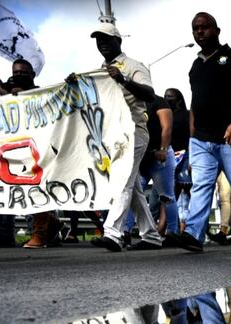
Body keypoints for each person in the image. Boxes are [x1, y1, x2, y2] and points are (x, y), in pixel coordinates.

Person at [173, 12, 231, 253]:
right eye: (195, 28)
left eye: (205, 27)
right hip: (200, 139)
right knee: (201, 186)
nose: (200, 31)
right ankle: (193, 234)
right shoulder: (196, 66)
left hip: (229, 138)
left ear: (217, 30)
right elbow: (195, 103)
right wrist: (191, 138)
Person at [0, 48, 64, 250]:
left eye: (23, 73)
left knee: (36, 189)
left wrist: (24, 97)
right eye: (16, 73)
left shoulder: (42, 94)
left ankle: (40, 232)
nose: (19, 76)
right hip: (13, 153)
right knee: (15, 190)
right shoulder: (8, 93)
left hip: (37, 152)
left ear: (32, 75)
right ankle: (52, 224)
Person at [87, 22, 163, 252]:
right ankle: (151, 235)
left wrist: (123, 79)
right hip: (114, 134)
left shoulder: (133, 66)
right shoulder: (101, 69)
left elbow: (149, 94)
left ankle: (113, 233)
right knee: (134, 187)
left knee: (123, 180)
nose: (102, 44)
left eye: (106, 40)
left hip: (134, 131)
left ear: (118, 41)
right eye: (99, 41)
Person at [123, 94, 179, 245]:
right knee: (130, 194)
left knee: (166, 196)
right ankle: (125, 231)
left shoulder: (158, 101)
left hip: (158, 156)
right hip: (139, 158)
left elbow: (167, 127)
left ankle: (172, 233)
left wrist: (163, 149)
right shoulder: (129, 103)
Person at [164, 88, 192, 232]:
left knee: (188, 191)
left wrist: (191, 159)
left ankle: (191, 229)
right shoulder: (164, 116)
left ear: (179, 99)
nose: (167, 98)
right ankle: (169, 230)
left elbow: (192, 137)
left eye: (170, 96)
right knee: (168, 195)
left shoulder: (186, 115)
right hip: (169, 159)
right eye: (165, 96)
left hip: (185, 157)